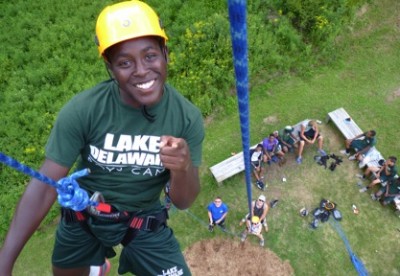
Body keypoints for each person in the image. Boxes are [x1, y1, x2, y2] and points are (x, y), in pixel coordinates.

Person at [0, 1, 205, 275]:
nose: (142, 70)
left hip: (143, 220)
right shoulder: (85, 110)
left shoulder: (185, 117)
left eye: (150, 56)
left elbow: (184, 201)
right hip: (85, 214)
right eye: (124, 63)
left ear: (165, 53)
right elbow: (44, 186)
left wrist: (183, 168)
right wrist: (4, 263)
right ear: (110, 67)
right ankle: (98, 267)